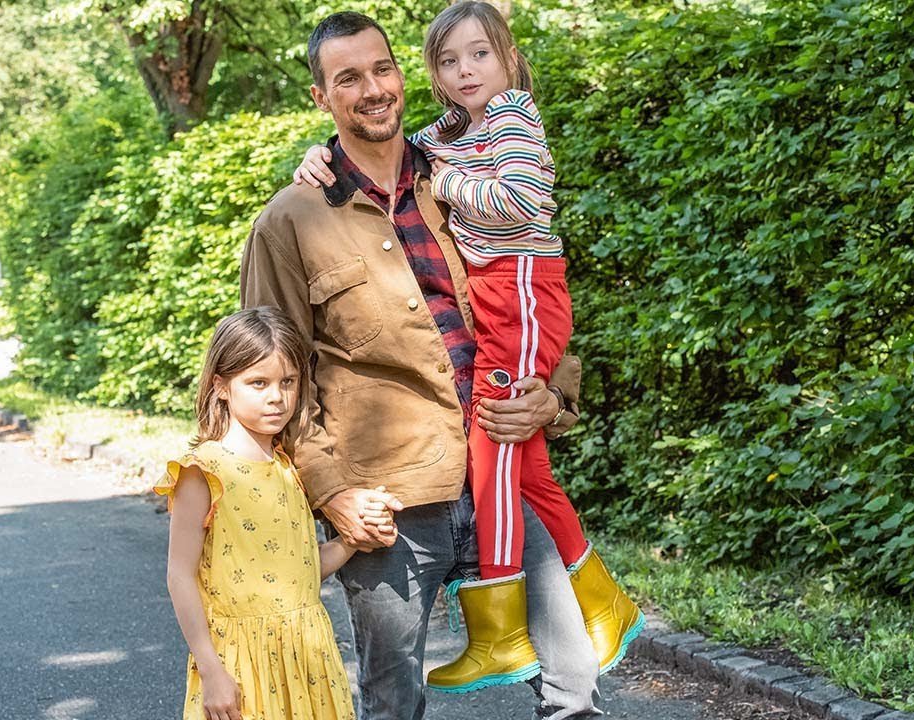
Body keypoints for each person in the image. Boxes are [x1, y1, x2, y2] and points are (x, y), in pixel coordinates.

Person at [241, 10, 626, 720]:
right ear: (322, 98)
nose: (372, 88)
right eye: (347, 78)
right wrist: (331, 494)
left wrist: (556, 399)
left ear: (402, 75)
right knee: (394, 705)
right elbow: (271, 375)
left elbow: (532, 297)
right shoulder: (290, 219)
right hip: (386, 503)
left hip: (497, 470)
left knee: (574, 689)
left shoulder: (463, 169)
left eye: (381, 69)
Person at [155, 307, 379, 720]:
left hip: (308, 657)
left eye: (287, 382)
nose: (277, 397)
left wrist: (352, 539)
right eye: (257, 383)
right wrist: (210, 669)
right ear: (221, 386)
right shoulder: (203, 472)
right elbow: (179, 575)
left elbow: (302, 570)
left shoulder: (287, 466)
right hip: (239, 663)